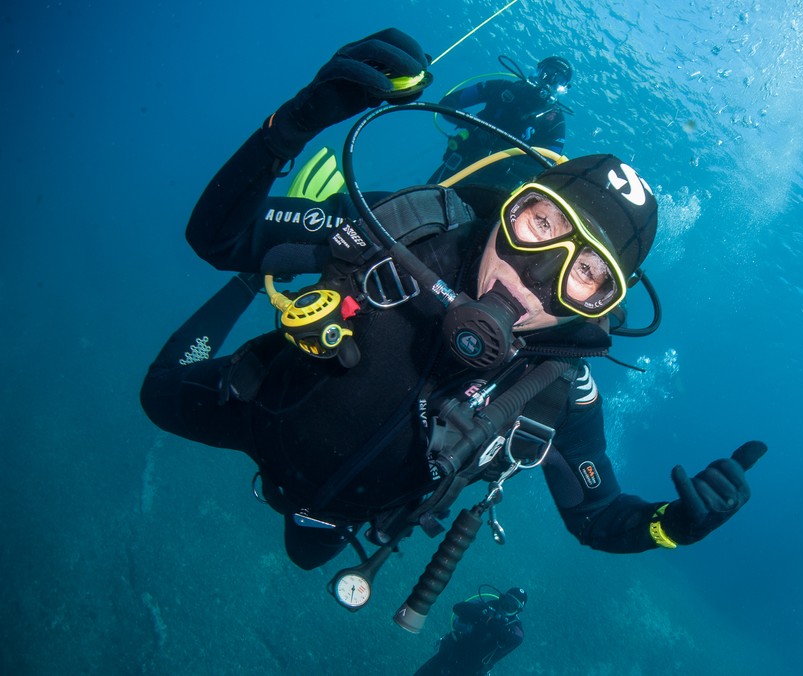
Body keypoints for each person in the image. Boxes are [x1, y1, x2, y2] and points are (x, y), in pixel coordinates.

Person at [140, 28, 766, 575]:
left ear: (601, 305)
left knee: (305, 555)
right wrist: (296, 122)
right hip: (250, 407)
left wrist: (670, 526)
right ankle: (260, 277)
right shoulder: (402, 230)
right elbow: (215, 236)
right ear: (509, 206)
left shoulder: (555, 391)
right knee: (157, 395)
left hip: (337, 512)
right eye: (541, 224)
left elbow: (597, 517)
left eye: (585, 274)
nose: (533, 277)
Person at [427, 55, 572, 187]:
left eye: (558, 81)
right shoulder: (501, 88)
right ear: (537, 70)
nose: (548, 82)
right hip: (461, 163)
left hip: (498, 187)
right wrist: (474, 127)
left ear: (563, 89)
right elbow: (447, 103)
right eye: (546, 73)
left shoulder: (555, 122)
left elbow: (548, 166)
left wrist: (504, 162)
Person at [415, 587, 527, 676]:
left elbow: (509, 639)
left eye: (512, 607)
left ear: (518, 611)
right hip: (447, 656)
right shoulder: (487, 605)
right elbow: (459, 607)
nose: (506, 608)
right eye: (506, 602)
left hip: (471, 672)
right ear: (501, 598)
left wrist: (488, 622)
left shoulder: (515, 628)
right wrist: (487, 619)